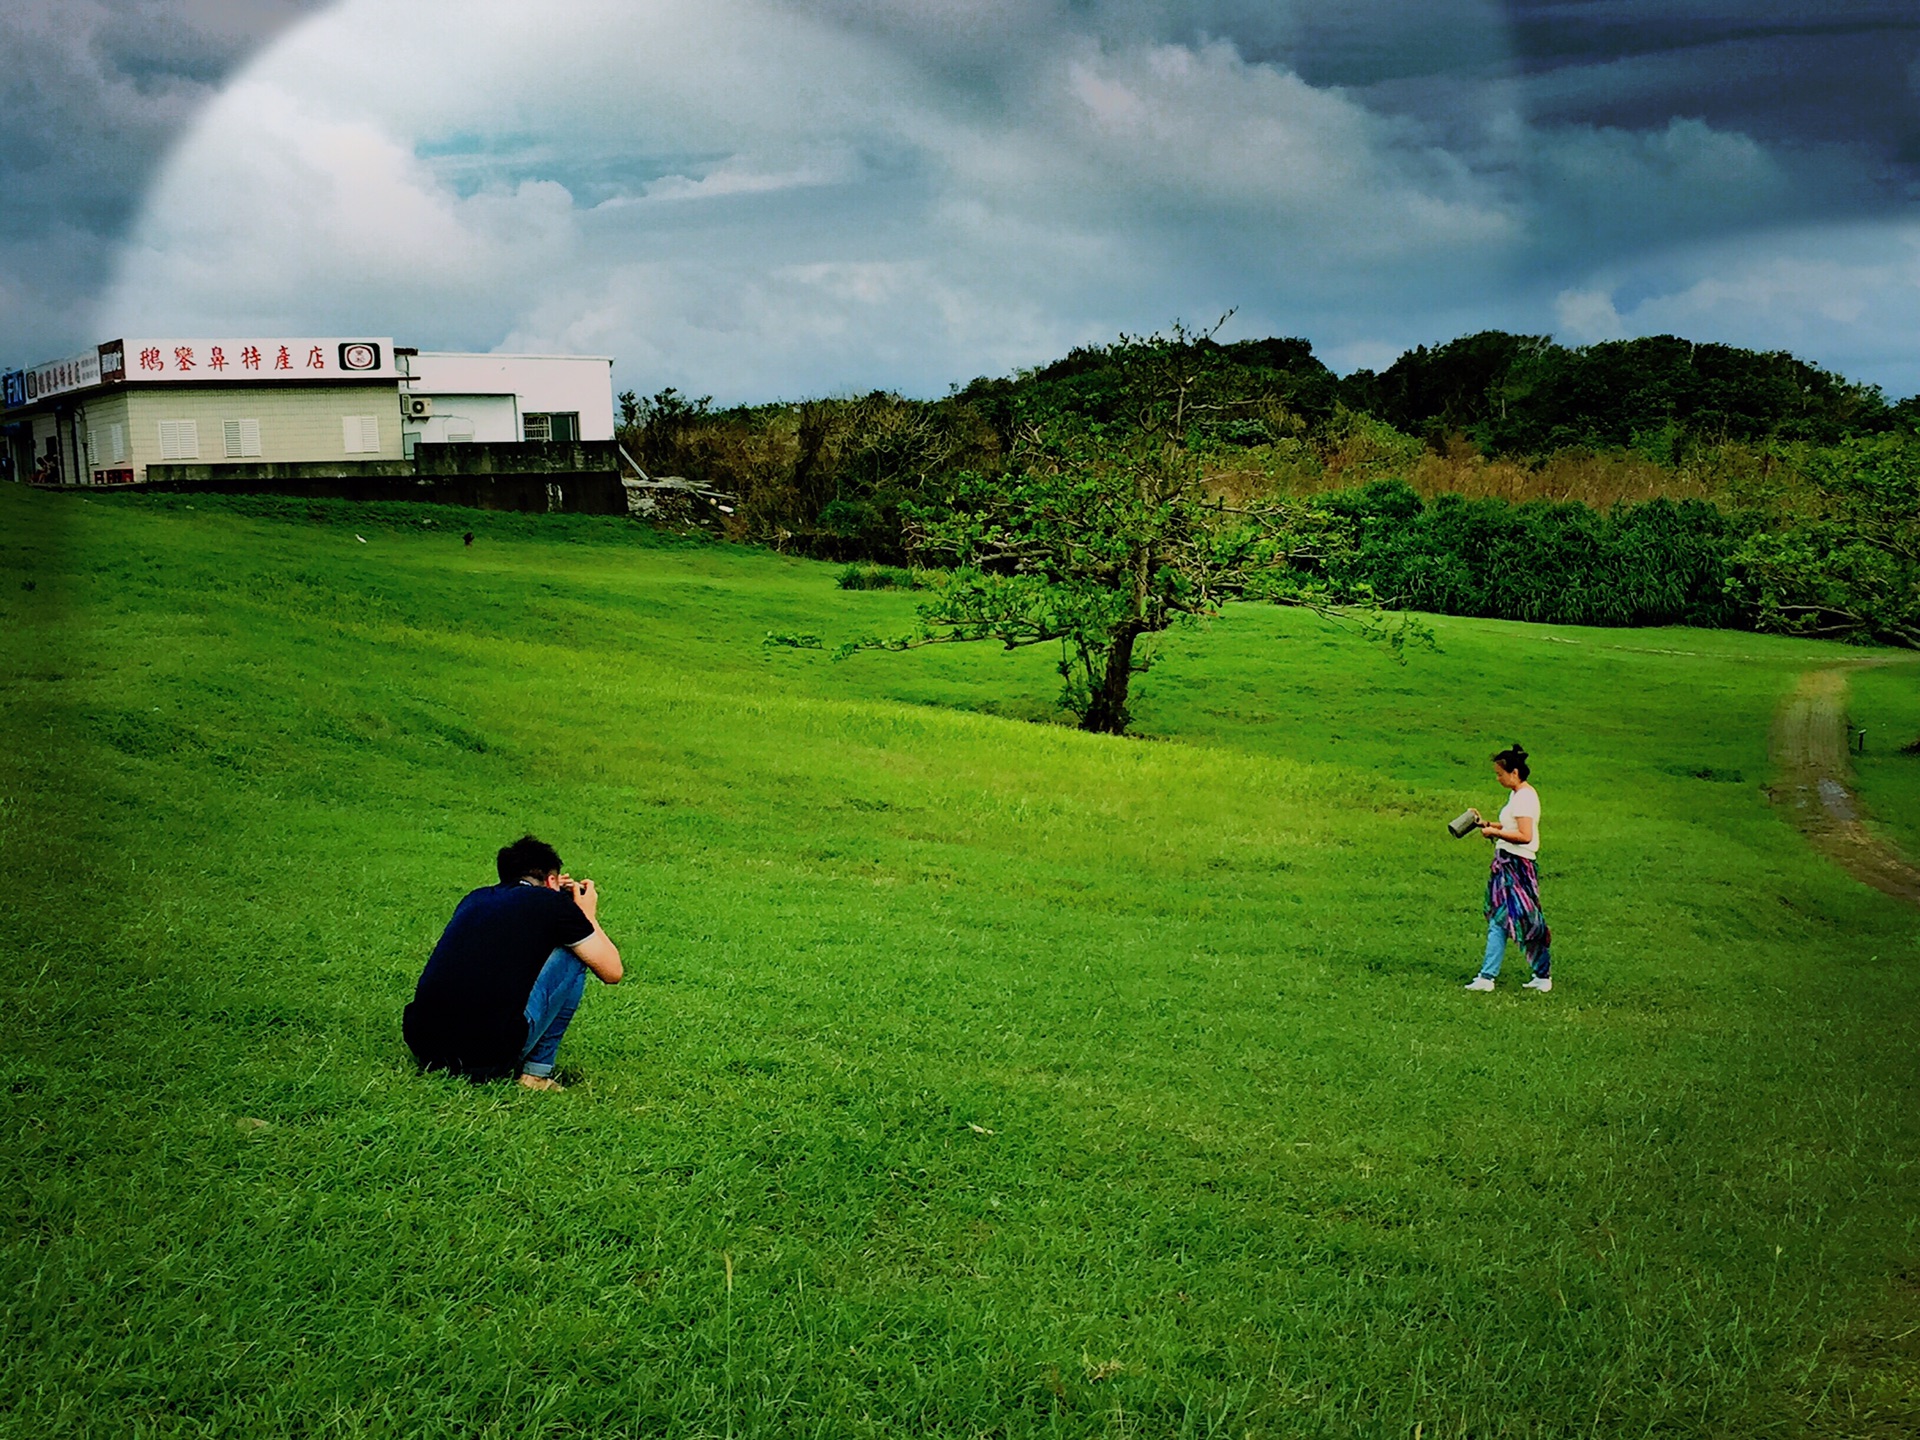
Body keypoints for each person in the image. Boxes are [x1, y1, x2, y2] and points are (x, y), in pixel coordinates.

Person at [404, 836, 622, 1090]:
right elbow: (612, 971)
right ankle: (536, 1074)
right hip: (487, 1053)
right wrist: (587, 915)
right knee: (574, 953)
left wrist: (551, 893)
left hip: (424, 1045)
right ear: (552, 881)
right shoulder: (554, 904)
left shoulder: (475, 899)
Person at [1464, 743, 1553, 993]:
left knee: (1518, 920)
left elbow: (1525, 835)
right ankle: (1535, 975)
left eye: (1500, 774)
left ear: (1514, 773)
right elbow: (1511, 827)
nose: (1498, 778)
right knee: (1503, 920)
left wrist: (1494, 832)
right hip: (1507, 862)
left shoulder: (1525, 797)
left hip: (1516, 865)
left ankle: (1489, 977)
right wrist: (1487, 824)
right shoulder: (1517, 795)